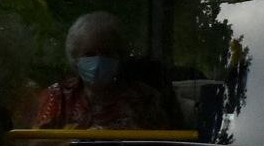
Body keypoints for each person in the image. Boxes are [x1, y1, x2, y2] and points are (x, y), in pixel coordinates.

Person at [30, 12, 179, 131]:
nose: (98, 61)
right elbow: (37, 143)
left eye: (107, 53)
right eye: (89, 54)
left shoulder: (144, 99)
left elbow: (163, 145)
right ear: (75, 58)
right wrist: (78, 138)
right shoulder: (58, 96)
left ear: (120, 56)